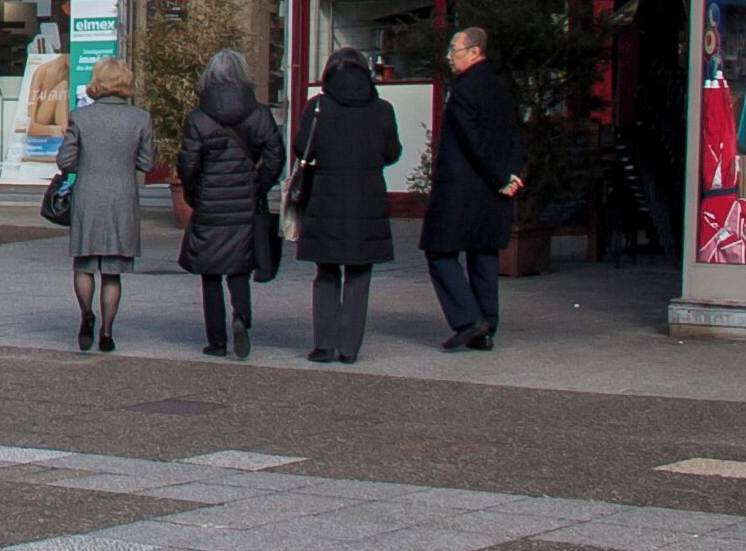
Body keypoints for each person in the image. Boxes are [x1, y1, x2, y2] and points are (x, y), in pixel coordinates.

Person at [290, 47, 402, 363]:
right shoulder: (382, 109)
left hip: (324, 199)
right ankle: (349, 347)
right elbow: (392, 152)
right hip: (368, 200)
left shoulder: (318, 106)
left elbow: (302, 148)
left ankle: (324, 344)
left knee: (326, 272)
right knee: (359, 273)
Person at [174, 45, 284, 359]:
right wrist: (258, 186)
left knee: (210, 272)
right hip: (245, 202)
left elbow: (188, 164)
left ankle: (217, 340)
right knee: (239, 268)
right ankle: (241, 317)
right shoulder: (259, 113)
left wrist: (194, 194)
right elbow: (276, 155)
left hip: (209, 202)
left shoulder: (199, 117)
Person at [423, 24, 525, 351]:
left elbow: (473, 142)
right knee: (483, 255)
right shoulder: (499, 86)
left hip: (463, 189)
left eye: (454, 50)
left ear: (474, 52)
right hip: (492, 191)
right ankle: (486, 326)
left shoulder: (464, 91)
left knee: (439, 251)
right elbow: (513, 134)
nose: (448, 56)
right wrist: (511, 176)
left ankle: (469, 320)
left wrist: (500, 177)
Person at [53, 54, 153, 352]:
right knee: (112, 270)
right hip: (122, 199)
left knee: (84, 264)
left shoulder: (81, 117)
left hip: (88, 197)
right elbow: (148, 163)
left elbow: (66, 161)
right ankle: (107, 332)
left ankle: (86, 314)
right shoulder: (140, 118)